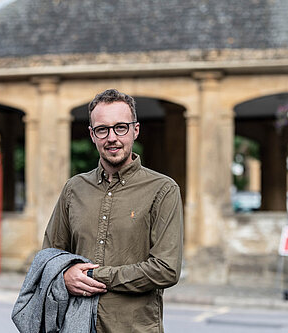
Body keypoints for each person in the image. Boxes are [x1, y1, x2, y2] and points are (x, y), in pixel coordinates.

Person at [43, 88, 183, 332]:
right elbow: (49, 256)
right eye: (102, 129)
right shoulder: (73, 189)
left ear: (135, 130)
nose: (112, 137)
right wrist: (65, 276)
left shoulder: (163, 189)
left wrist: (97, 277)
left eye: (121, 127)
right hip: (77, 326)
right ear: (92, 135)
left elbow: (166, 270)